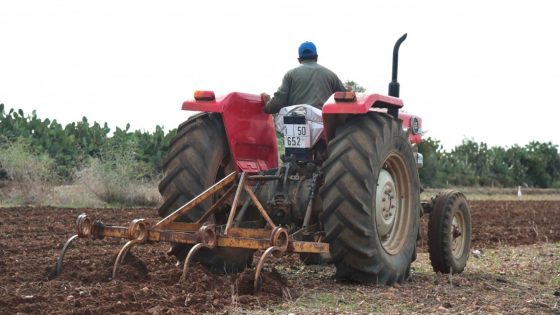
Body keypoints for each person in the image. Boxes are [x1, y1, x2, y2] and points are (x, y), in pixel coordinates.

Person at [262, 41, 346, 114]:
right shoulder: (331, 75)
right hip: (325, 124)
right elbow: (345, 99)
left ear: (299, 59)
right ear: (316, 57)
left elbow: (277, 104)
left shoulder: (290, 75)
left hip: (295, 124)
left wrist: (267, 104)